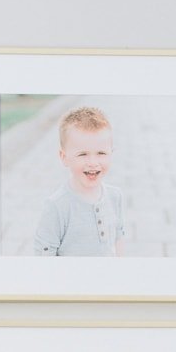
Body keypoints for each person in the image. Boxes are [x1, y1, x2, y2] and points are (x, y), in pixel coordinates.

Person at [33, 106, 125, 257]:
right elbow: (44, 254)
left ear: (111, 153)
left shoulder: (115, 196)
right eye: (83, 154)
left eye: (101, 153)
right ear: (64, 157)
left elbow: (118, 237)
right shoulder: (57, 206)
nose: (93, 162)